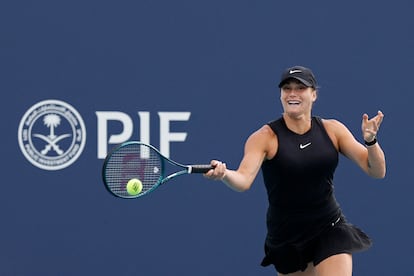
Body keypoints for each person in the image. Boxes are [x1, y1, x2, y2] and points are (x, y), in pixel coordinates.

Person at [204, 65, 386, 276]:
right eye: (287, 88)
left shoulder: (332, 129)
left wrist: (370, 140)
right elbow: (243, 180)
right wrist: (225, 174)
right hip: (287, 237)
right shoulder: (265, 137)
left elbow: (376, 171)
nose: (292, 93)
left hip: (329, 226)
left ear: (314, 94)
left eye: (300, 88)